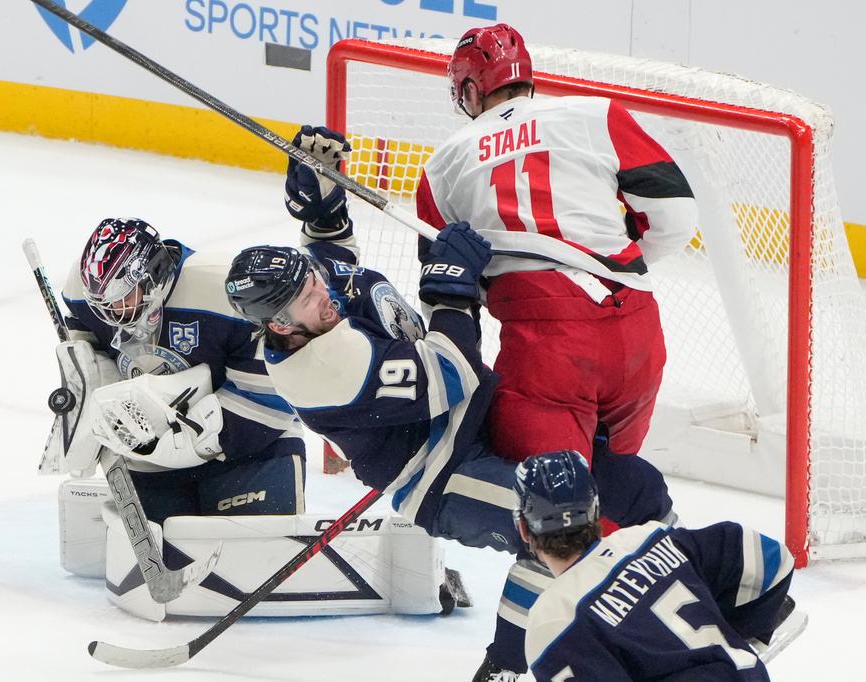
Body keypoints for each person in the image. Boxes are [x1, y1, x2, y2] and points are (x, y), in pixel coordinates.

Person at [224, 126, 677, 681]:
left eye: (312, 280)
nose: (321, 292)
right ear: (278, 325)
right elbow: (452, 373)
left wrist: (324, 201)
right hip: (441, 475)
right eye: (304, 297)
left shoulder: (314, 293)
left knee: (640, 488)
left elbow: (329, 252)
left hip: (480, 424)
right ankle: (505, 670)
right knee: (552, 529)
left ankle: (684, 607)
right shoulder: (323, 369)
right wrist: (448, 291)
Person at [416, 24, 699, 464]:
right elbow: (678, 218)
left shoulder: (442, 167)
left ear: (470, 91)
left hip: (544, 347)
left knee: (554, 514)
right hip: (636, 328)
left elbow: (444, 293)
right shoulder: (597, 114)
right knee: (617, 488)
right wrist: (619, 264)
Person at [51, 217, 306, 537]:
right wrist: (98, 408)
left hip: (250, 450)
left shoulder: (222, 289)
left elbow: (271, 390)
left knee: (253, 553)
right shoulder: (86, 291)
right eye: (105, 303)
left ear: (154, 274)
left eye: (123, 298)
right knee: (165, 554)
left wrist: (190, 441)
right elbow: (91, 355)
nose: (113, 313)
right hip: (151, 451)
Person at [513, 450, 802, 681]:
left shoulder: (552, 621)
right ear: (597, 511)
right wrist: (734, 636)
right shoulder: (649, 537)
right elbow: (772, 558)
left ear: (524, 530)